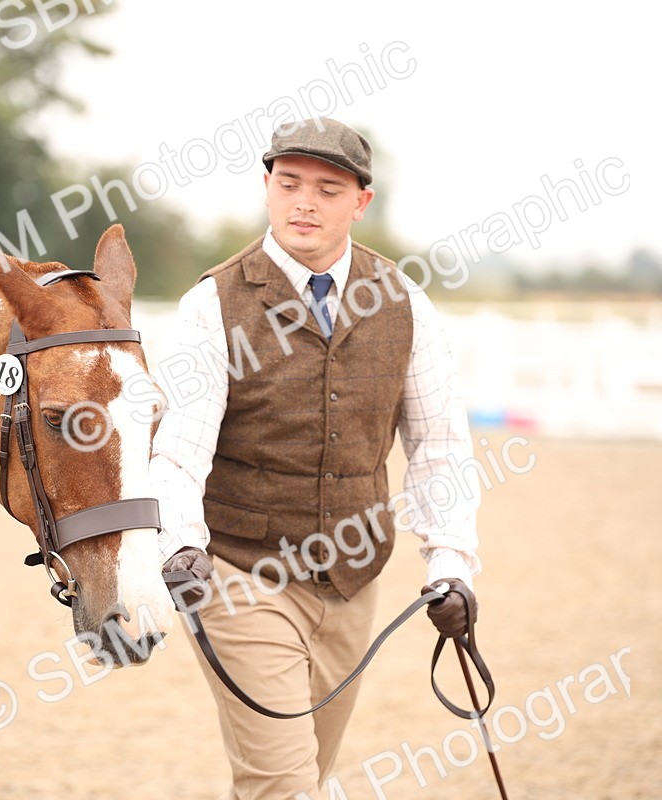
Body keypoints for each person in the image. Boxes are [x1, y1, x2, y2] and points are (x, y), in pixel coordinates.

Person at [152, 116, 481, 800]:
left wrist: (451, 565)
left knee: (308, 776)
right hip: (241, 578)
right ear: (267, 189)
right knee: (282, 784)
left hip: (354, 582)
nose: (304, 201)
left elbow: (439, 447)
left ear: (361, 201)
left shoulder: (406, 305)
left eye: (328, 189)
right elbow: (179, 450)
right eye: (289, 183)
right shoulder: (211, 305)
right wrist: (180, 543)